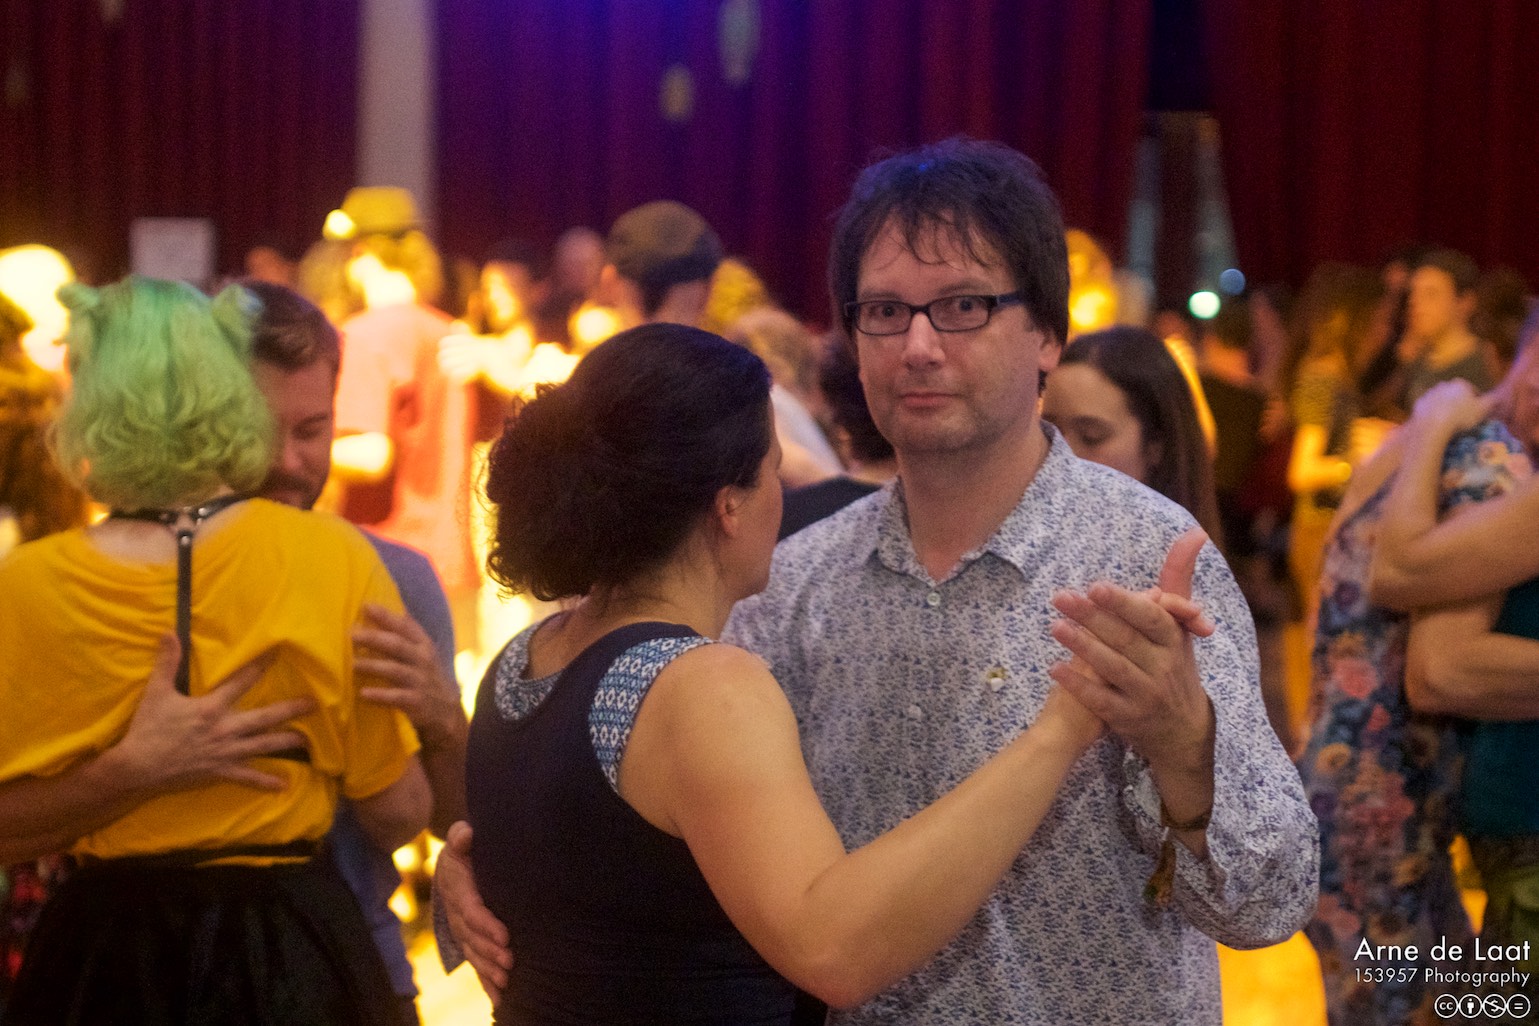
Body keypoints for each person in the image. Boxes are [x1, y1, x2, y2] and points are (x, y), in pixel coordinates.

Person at [439, 138, 1317, 1024]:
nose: (918, 347)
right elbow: (670, 817)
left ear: (1047, 336)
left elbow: (1270, 902)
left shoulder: (1143, 557)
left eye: (963, 306)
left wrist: (1186, 750)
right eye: (886, 312)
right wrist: (496, 870)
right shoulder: (792, 580)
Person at [464, 322, 1103, 1023]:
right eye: (774, 471)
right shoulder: (702, 688)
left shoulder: (521, 660)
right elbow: (834, 950)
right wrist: (1061, 731)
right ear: (728, 506)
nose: (785, 495)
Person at [0, 277, 430, 1024]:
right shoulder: (332, 559)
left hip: (109, 954)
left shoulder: (26, 586)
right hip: (294, 948)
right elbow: (398, 815)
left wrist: (125, 776)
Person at [1292, 314, 1538, 1024]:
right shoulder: (1490, 467)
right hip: (1384, 808)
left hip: (1352, 797)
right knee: (1401, 1007)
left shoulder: (1420, 448)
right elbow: (1432, 654)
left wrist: (1429, 424)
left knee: (1451, 995)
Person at [1042, 324, 1224, 545]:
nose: (1061, 453)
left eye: (1091, 436)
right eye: (1049, 432)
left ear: (1156, 445)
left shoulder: (1177, 557)